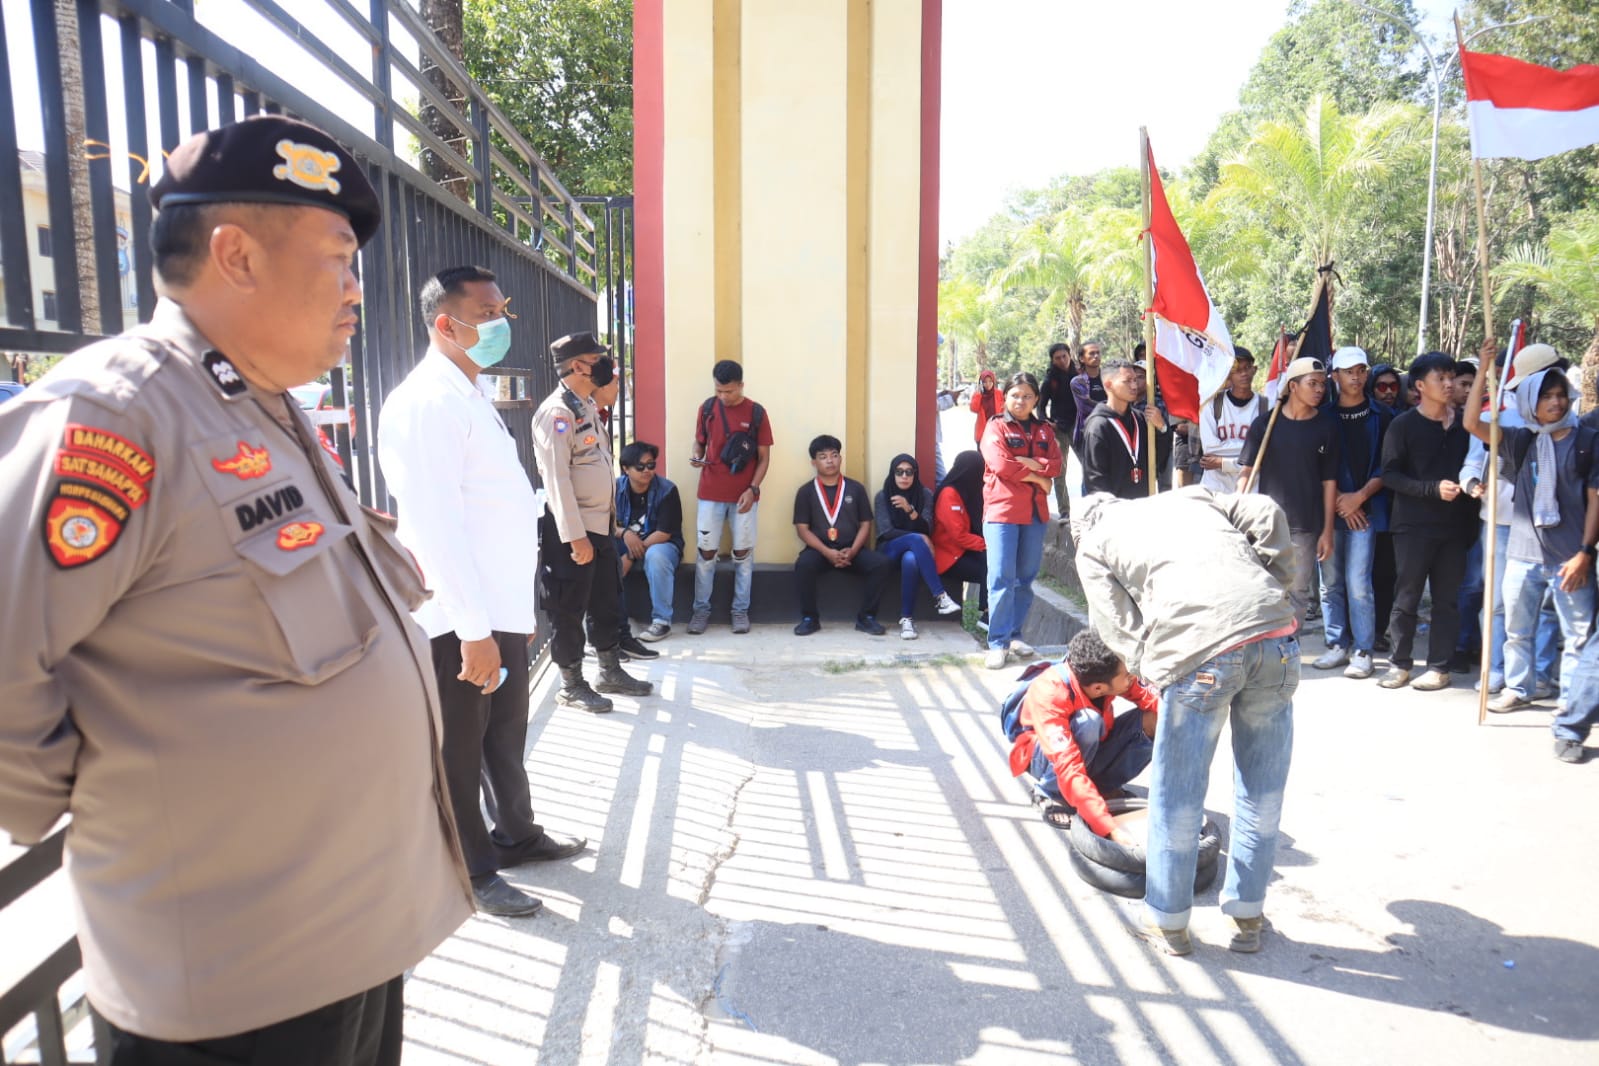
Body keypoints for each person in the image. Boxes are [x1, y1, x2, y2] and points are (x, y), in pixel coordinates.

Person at [0, 116, 471, 1060]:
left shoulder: (262, 405)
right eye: (338, 258)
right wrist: (113, 793)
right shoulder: (119, 413)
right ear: (235, 255)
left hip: (346, 938)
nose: (354, 291)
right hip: (232, 982)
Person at [380, 264, 587, 920]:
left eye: (504, 310)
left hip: (496, 609)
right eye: (491, 312)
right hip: (457, 619)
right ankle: (468, 869)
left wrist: (511, 615)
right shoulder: (425, 403)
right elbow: (434, 526)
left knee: (502, 734)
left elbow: (494, 512)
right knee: (458, 749)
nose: (504, 323)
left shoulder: (469, 393)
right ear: (447, 324)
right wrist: (473, 629)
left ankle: (516, 834)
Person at [1075, 488, 1299, 957]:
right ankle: (1248, 913)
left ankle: (1168, 921)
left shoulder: (1093, 543)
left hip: (1199, 655)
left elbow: (1114, 624)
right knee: (1261, 790)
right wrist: (1275, 582)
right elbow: (1266, 508)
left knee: (1178, 795)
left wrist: (1149, 666)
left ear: (1084, 524)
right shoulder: (1191, 495)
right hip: (1275, 639)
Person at [1462, 351, 1599, 714]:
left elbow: (1595, 499)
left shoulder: (1586, 440)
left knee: (1577, 637)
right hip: (1523, 554)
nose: (1556, 402)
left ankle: (1571, 703)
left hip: (1570, 558)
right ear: (1529, 401)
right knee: (1517, 630)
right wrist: (1483, 372)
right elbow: (1472, 422)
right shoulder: (1521, 440)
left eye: (1560, 395)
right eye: (1546, 395)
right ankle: (1519, 688)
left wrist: (1586, 551)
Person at [532, 332, 652, 711]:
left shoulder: (582, 406)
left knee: (605, 602)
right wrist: (575, 538)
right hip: (573, 532)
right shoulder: (558, 414)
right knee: (568, 608)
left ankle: (609, 670)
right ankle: (571, 684)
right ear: (578, 366)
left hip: (598, 528)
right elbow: (557, 480)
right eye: (596, 358)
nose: (604, 364)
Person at [1377, 352, 1479, 691]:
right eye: (1441, 378)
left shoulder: (1466, 425)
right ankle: (1400, 664)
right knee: (1406, 598)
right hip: (1412, 526)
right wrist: (1430, 489)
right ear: (1420, 385)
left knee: (1447, 601)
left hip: (1455, 528)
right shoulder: (1403, 425)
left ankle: (1439, 667)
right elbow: (1389, 474)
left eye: (1452, 377)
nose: (1449, 384)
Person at [1002, 630, 1159, 840]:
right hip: (1047, 757)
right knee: (1088, 723)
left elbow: (1150, 697)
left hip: (1088, 746)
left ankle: (1101, 787)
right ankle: (1050, 793)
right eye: (1128, 675)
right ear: (1098, 688)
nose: (1134, 677)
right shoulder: (1050, 693)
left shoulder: (1106, 674)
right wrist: (1108, 827)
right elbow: (1068, 766)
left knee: (1156, 719)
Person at [1238, 356, 1338, 627]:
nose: (1319, 389)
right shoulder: (1265, 425)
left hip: (1306, 525)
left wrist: (1327, 531)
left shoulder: (1326, 427)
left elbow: (1330, 481)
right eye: (1312, 383)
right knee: (1263, 588)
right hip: (1266, 523)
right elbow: (1247, 472)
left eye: (1322, 384)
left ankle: (1288, 652)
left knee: (1297, 592)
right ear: (1293, 386)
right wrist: (1238, 513)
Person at [1312, 347, 1390, 680]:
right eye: (1348, 371)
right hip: (1328, 511)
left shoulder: (1383, 416)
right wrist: (1339, 500)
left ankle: (1363, 650)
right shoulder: (1321, 416)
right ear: (1335, 376)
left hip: (1366, 511)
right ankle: (1336, 644)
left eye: (1361, 370)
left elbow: (1391, 465)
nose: (1355, 377)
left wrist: (1358, 497)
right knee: (1330, 583)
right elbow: (1312, 465)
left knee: (1359, 583)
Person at [981, 372, 1062, 669]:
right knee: (1001, 577)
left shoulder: (1044, 430)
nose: (1021, 401)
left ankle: (1014, 634)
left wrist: (1036, 468)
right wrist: (1038, 480)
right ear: (1006, 397)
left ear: (1036, 399)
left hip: (1034, 513)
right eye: (1015, 395)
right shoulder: (996, 427)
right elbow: (1001, 464)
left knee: (1025, 578)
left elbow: (1056, 464)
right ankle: (997, 642)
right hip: (1002, 512)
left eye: (1027, 396)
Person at [689, 359, 772, 635]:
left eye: (729, 391)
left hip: (744, 497)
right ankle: (700, 612)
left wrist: (753, 489)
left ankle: (740, 611)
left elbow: (763, 458)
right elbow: (699, 441)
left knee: (743, 554)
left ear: (741, 386)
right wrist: (696, 456)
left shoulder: (757, 413)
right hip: (710, 493)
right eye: (719, 391)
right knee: (706, 552)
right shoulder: (708, 408)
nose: (724, 397)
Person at [792, 435, 892, 635]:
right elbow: (802, 529)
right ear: (814, 462)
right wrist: (827, 552)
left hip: (851, 548)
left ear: (840, 458)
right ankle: (810, 618)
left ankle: (866, 617)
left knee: (881, 564)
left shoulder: (855, 488)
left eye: (834, 455)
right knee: (803, 565)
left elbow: (866, 523)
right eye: (823, 456)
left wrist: (854, 550)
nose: (830, 461)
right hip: (819, 550)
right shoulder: (806, 492)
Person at [873, 453, 963, 639]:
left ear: (915, 474)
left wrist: (909, 509)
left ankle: (906, 620)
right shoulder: (883, 496)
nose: (904, 476)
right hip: (888, 550)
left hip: (915, 552)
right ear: (893, 473)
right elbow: (885, 532)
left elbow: (927, 528)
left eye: (909, 472)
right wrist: (918, 537)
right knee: (916, 540)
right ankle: (940, 596)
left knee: (911, 559)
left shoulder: (925, 495)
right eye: (899, 472)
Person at [616, 440, 684, 643]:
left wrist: (631, 554)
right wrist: (625, 534)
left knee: (656, 557)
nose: (647, 470)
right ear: (626, 469)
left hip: (662, 544)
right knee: (603, 553)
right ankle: (609, 620)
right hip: (626, 540)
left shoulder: (667, 490)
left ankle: (662, 622)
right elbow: (605, 523)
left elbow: (664, 533)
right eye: (640, 466)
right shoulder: (615, 488)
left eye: (651, 465)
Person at [1081, 360, 1166, 501]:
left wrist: (1161, 428)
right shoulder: (1098, 426)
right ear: (1109, 384)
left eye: (1135, 380)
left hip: (1142, 503)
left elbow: (1157, 459)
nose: (1134, 386)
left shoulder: (1138, 418)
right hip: (1115, 512)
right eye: (1127, 381)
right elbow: (1095, 480)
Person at [933, 449, 989, 625]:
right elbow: (959, 536)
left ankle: (989, 612)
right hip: (949, 557)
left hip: (962, 551)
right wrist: (988, 544)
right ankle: (986, 612)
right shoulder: (949, 494)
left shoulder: (968, 492)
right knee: (990, 564)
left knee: (995, 561)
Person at [1199, 347, 1264, 493]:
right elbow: (1210, 450)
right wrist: (1250, 452)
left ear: (1254, 370)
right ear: (1227, 373)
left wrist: (1223, 462)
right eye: (1237, 369)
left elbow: (1265, 454)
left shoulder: (1266, 405)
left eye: (1247, 368)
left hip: (1251, 488)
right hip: (1216, 488)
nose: (1243, 374)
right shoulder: (1211, 405)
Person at [1039, 342, 1078, 513]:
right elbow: (1040, 406)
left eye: (1065, 356)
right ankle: (1064, 511)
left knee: (1091, 466)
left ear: (1070, 355)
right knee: (1060, 473)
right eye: (1058, 358)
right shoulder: (1050, 380)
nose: (1062, 361)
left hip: (1079, 427)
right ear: (1052, 360)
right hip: (1059, 429)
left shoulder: (1079, 375)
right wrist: (1047, 423)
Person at [1068, 339, 1107, 454]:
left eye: (1098, 353)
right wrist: (1110, 406)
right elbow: (1085, 407)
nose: (1096, 356)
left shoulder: (1109, 378)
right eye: (1091, 353)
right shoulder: (1077, 382)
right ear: (1082, 358)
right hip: (1089, 432)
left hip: (1112, 429)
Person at [969, 368, 1001, 442]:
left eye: (990, 381)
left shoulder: (999, 394)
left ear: (993, 381)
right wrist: (979, 394)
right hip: (982, 432)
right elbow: (974, 409)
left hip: (996, 432)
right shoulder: (978, 395)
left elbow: (1004, 411)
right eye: (985, 382)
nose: (988, 384)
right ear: (981, 383)